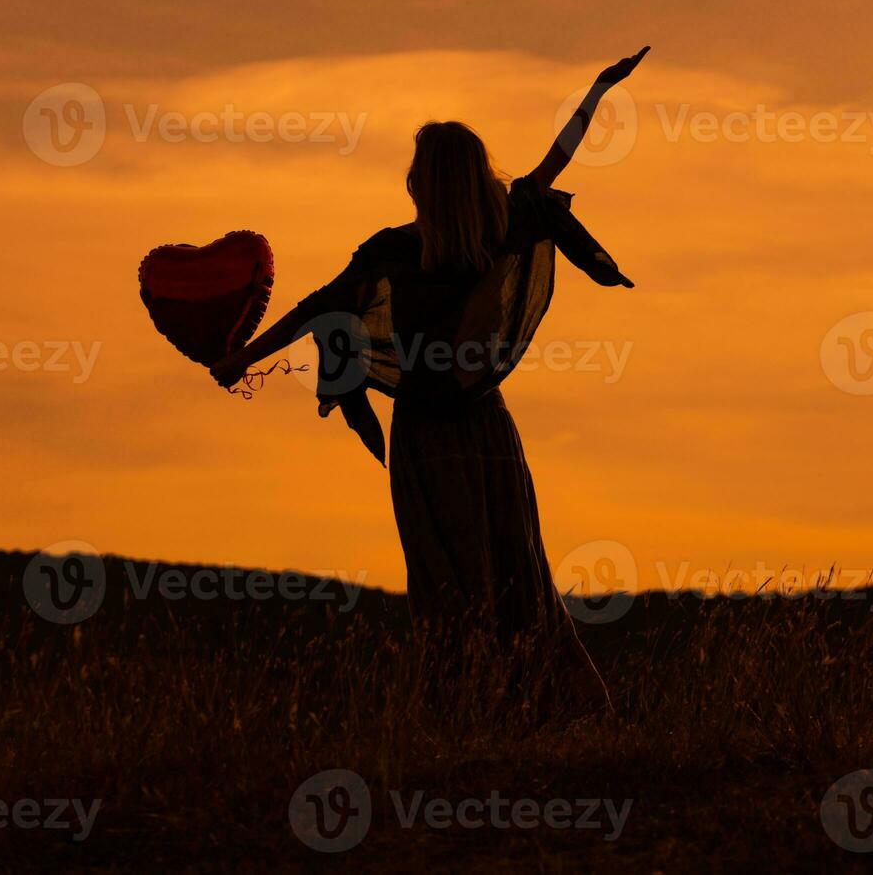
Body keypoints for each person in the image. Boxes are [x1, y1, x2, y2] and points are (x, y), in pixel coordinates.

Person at [210, 47, 651, 710]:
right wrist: (597, 90)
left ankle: (466, 712)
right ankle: (535, 711)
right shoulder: (505, 223)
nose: (409, 177)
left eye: (416, 168)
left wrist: (242, 358)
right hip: (488, 427)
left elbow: (316, 308)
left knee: (448, 582)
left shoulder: (392, 252)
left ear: (428, 182)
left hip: (428, 435)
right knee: (516, 573)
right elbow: (560, 156)